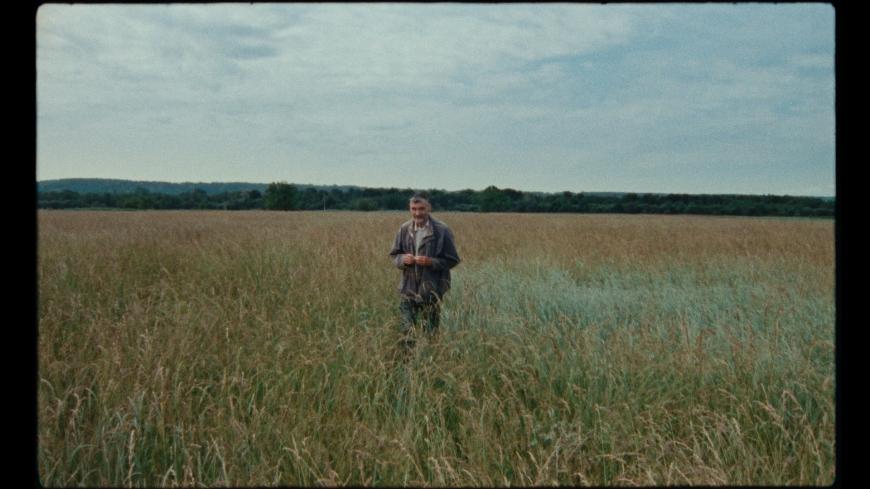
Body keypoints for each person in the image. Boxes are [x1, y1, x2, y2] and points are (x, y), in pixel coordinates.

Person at [389, 192, 460, 351]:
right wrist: (403, 260)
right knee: (407, 333)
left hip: (432, 291)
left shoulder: (442, 230)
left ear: (429, 208)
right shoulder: (404, 229)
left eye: (421, 209)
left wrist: (430, 262)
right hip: (407, 291)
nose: (417, 213)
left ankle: (430, 360)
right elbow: (394, 255)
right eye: (413, 209)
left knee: (430, 333)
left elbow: (453, 260)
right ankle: (407, 362)